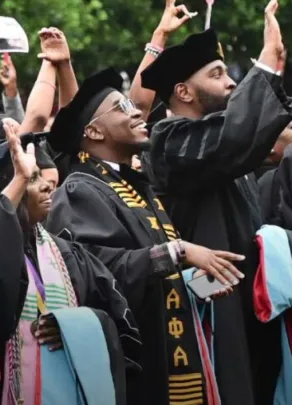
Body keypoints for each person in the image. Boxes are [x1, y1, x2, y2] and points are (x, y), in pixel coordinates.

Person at [44, 68, 245, 405]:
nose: (136, 110)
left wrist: (201, 284)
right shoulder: (81, 190)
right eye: (120, 107)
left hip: (173, 355)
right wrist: (177, 252)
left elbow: (159, 280)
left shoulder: (138, 188)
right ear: (93, 131)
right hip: (136, 369)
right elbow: (93, 273)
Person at [141, 1, 291, 402]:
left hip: (250, 305)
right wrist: (264, 70)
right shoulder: (168, 142)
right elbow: (232, 137)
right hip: (207, 313)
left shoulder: (226, 152)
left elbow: (246, 138)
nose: (230, 83)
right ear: (183, 90)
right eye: (217, 74)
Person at [0, 132, 137, 405]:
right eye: (32, 179)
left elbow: (117, 320)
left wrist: (76, 326)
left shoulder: (69, 254)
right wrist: (18, 183)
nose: (46, 187)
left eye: (42, 177)